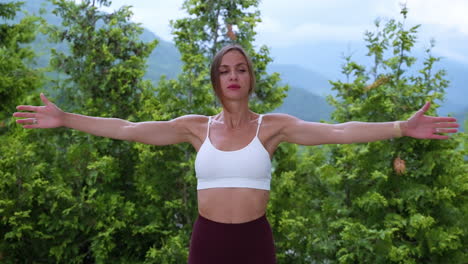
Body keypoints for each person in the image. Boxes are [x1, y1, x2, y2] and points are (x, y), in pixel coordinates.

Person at [13, 44, 459, 264]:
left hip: (253, 241)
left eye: (241, 69)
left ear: (250, 78)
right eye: (224, 70)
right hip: (207, 241)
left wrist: (401, 126)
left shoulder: (273, 127)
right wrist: (67, 118)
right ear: (215, 80)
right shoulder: (195, 128)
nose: (233, 76)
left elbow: (340, 130)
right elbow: (128, 129)